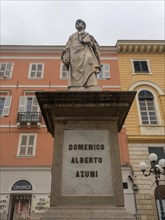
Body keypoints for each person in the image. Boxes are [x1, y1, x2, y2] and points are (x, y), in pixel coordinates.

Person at [61, 19, 101, 89]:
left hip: (86, 52)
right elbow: (67, 48)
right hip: (74, 56)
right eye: (77, 24)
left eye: (81, 23)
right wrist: (66, 56)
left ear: (84, 25)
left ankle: (90, 84)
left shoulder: (89, 35)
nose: (79, 25)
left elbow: (96, 45)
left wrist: (90, 43)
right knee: (75, 70)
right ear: (76, 26)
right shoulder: (72, 37)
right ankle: (76, 85)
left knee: (90, 61)